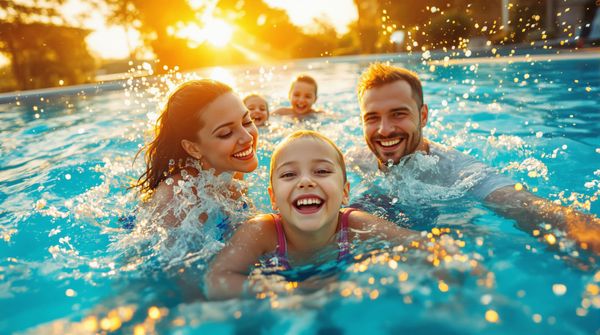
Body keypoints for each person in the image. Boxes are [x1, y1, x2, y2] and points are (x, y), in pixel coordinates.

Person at [352, 62, 600, 253]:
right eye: (372, 118)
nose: (384, 130)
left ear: (423, 116)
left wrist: (586, 233)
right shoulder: (357, 157)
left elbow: (523, 204)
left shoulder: (457, 170)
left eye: (398, 114)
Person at [205, 130, 419, 300]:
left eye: (322, 171)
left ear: (345, 193)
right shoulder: (262, 231)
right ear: (273, 199)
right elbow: (215, 281)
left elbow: (423, 245)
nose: (305, 181)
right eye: (289, 174)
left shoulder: (355, 224)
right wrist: (287, 291)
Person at [134, 79, 259, 229]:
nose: (248, 137)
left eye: (246, 122)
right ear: (193, 148)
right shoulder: (178, 198)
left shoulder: (232, 169)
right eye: (226, 133)